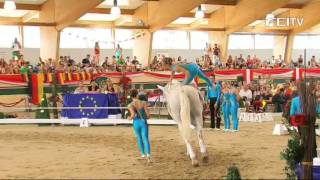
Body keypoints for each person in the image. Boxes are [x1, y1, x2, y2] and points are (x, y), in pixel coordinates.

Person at [128, 89, 151, 163]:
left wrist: (129, 118)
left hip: (136, 122)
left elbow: (133, 115)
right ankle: (148, 155)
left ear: (131, 96)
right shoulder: (143, 102)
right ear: (137, 95)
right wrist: (146, 116)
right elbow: (148, 115)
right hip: (143, 122)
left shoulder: (130, 105)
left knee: (139, 138)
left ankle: (143, 155)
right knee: (146, 138)